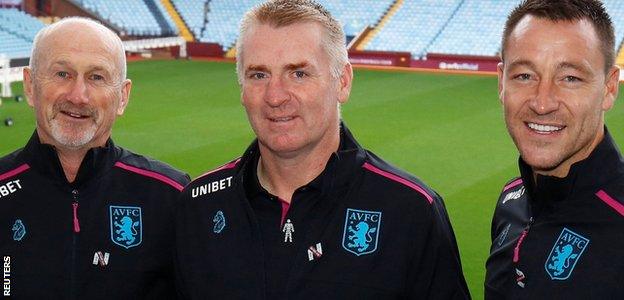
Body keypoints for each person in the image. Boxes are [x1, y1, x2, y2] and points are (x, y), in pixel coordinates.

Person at [175, 0, 469, 299]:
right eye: (259, 75)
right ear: (242, 88)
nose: (275, 96)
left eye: (298, 73)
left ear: (342, 82)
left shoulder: (411, 211)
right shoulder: (198, 206)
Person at [0, 17, 190, 299]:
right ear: (29, 86)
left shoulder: (170, 196)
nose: (78, 96)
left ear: (123, 97)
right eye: (62, 74)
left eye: (96, 77)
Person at [485, 0, 623, 298]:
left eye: (570, 78)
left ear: (609, 88)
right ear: (501, 83)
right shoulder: (512, 200)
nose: (542, 102)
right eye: (524, 76)